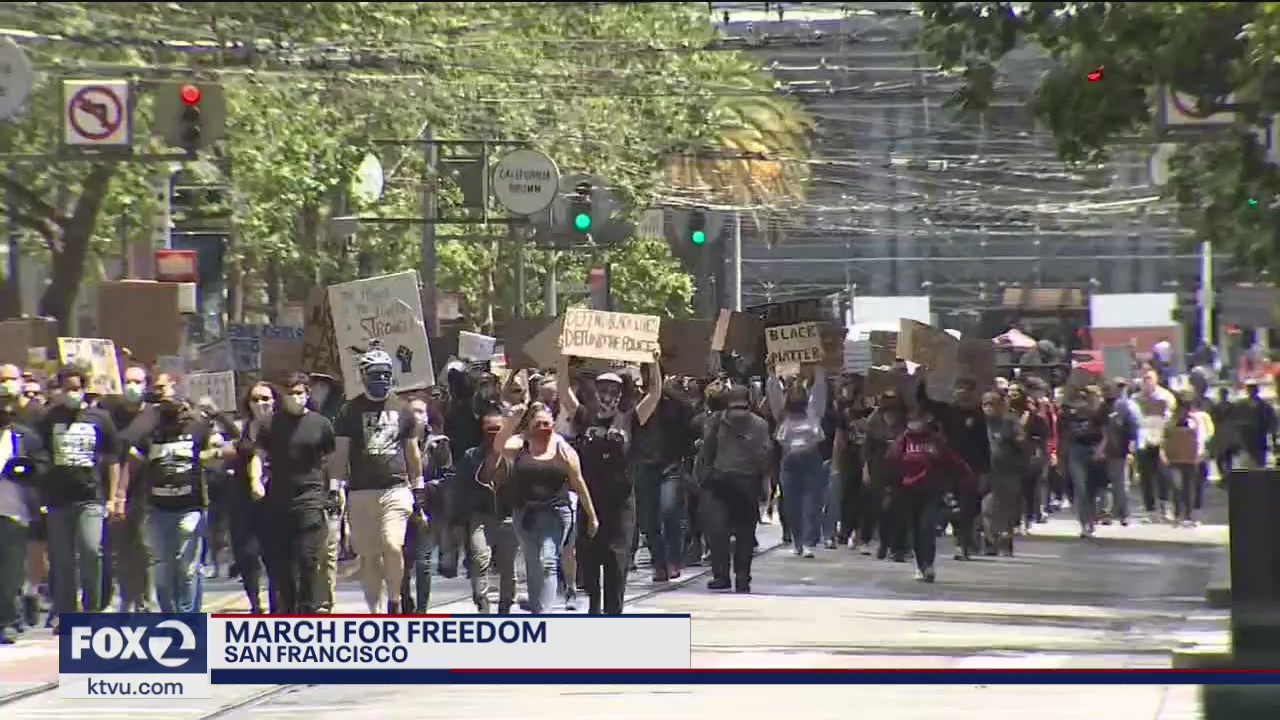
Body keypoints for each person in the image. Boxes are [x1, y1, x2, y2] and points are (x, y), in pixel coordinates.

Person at [332, 342, 422, 615]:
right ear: (363, 375)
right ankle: (375, 610)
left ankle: (394, 601)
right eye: (375, 373)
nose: (381, 378)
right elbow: (340, 454)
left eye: (385, 373)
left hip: (395, 489)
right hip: (360, 492)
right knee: (369, 557)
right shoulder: (349, 411)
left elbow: (412, 451)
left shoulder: (403, 409)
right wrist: (336, 487)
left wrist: (418, 486)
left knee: (392, 543)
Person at [494, 402, 598, 614]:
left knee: (547, 561)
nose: (542, 427)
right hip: (525, 514)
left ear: (553, 424)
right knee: (533, 564)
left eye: (546, 423)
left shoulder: (563, 449)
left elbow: (578, 483)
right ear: (530, 424)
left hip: (557, 513)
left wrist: (591, 515)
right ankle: (537, 606)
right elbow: (498, 447)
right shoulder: (520, 445)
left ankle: (544, 614)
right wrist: (511, 422)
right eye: (538, 423)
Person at [250, 372, 336, 614]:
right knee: (283, 568)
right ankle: (287, 611)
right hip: (279, 502)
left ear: (307, 394)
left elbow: (331, 460)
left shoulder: (321, 424)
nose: (295, 398)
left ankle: (307, 610)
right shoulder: (270, 425)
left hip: (310, 499)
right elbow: (258, 455)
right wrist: (256, 480)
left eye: (299, 393)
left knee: (308, 561)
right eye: (290, 393)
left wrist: (335, 489)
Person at [127, 396, 222, 612]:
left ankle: (187, 618)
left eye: (180, 410)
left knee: (188, 568)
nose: (177, 416)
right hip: (157, 509)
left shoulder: (198, 430)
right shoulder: (150, 434)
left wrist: (208, 452)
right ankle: (169, 615)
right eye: (169, 411)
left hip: (190, 508)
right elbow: (129, 449)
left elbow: (227, 444)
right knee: (162, 568)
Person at [696, 384, 770, 593]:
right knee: (738, 534)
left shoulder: (718, 421)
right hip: (734, 483)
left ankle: (727, 576)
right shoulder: (758, 424)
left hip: (732, 483)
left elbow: (706, 452)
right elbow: (765, 458)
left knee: (722, 533)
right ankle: (738, 577)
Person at [887, 408, 972, 583]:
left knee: (927, 527)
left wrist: (963, 480)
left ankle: (929, 565)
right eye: (912, 420)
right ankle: (919, 564)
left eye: (920, 419)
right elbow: (891, 461)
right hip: (908, 490)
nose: (916, 424)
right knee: (915, 529)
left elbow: (954, 461)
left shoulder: (936, 440)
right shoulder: (903, 440)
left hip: (931, 489)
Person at [0, 370, 46, 644]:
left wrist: (24, 469)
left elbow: (42, 466)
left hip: (14, 513)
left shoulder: (24, 437)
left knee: (10, 572)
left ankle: (7, 620)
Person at [767, 367, 828, 558]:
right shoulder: (782, 415)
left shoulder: (813, 411)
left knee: (811, 502)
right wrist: (771, 373)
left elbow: (819, 390)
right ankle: (797, 540)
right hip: (790, 461)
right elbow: (773, 394)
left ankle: (809, 541)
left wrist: (818, 368)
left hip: (811, 460)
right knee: (790, 503)